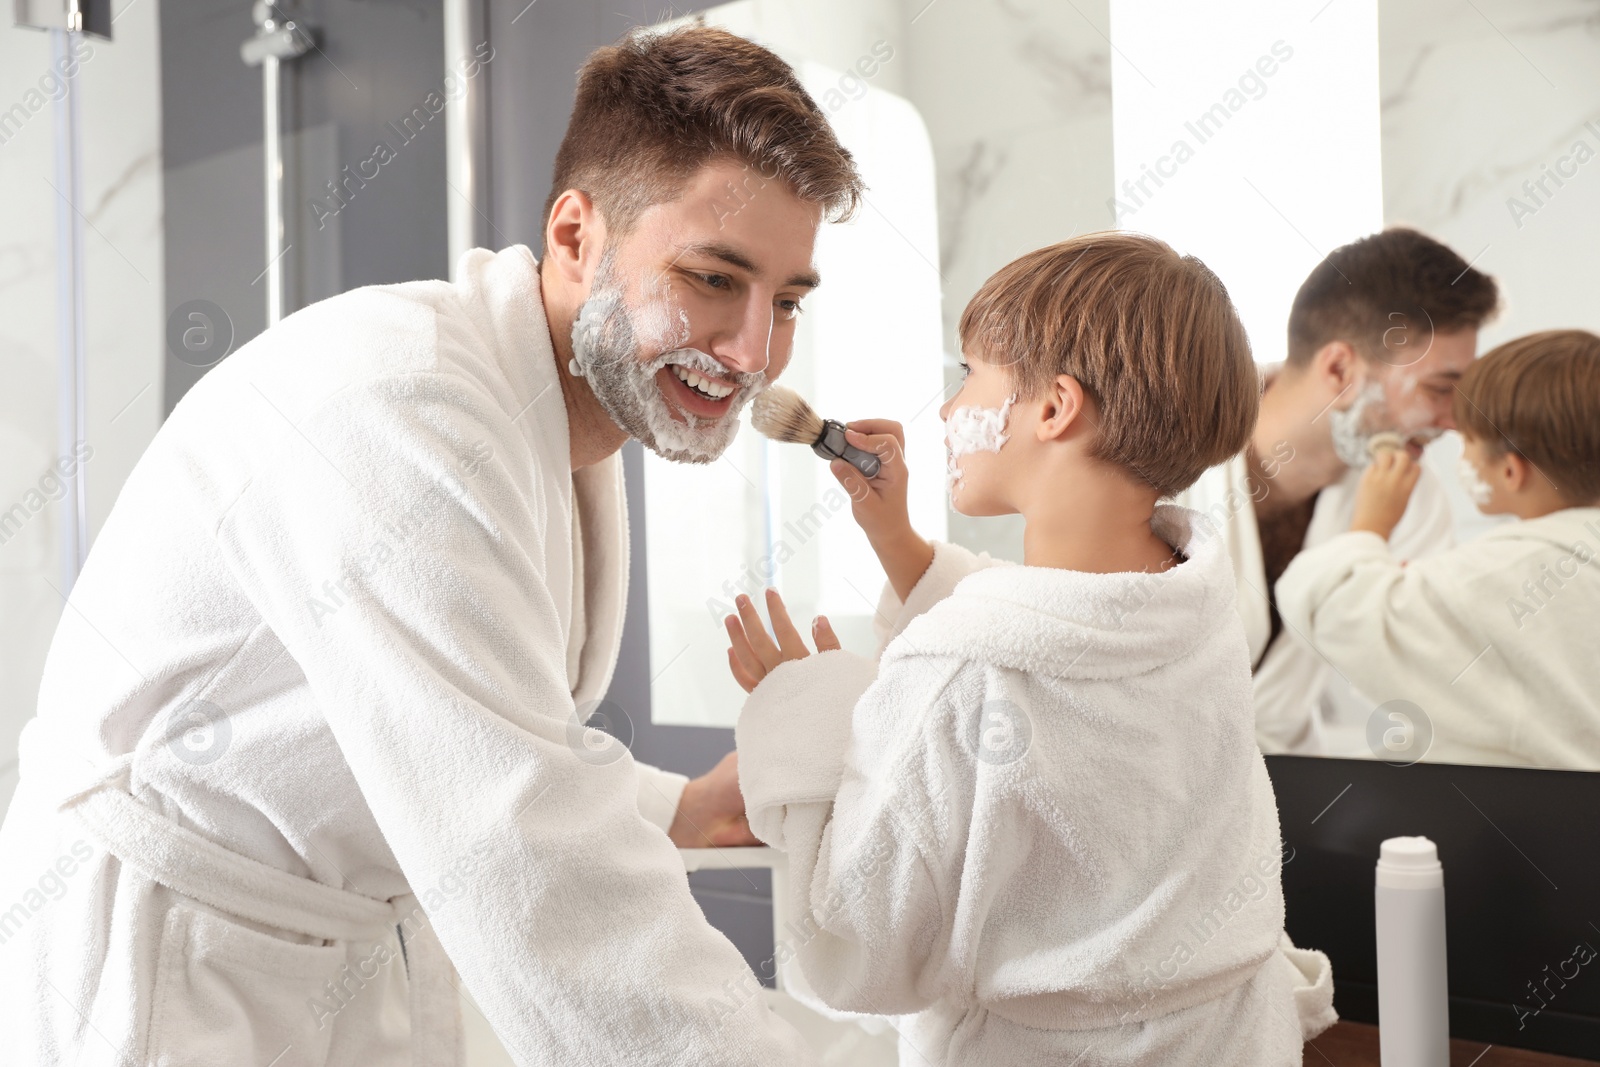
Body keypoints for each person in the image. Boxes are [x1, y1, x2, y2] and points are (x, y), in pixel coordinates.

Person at [0, 26, 859, 1065]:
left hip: (334, 949)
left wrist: (678, 806)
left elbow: (464, 723)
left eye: (788, 301)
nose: (754, 350)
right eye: (714, 278)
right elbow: (527, 853)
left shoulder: (553, 418)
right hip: (171, 969)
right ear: (577, 235)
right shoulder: (399, 404)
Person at [721, 234, 1336, 1065]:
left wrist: (805, 716)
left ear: (1052, 409)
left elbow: (850, 951)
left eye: (971, 375)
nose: (945, 411)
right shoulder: (1196, 604)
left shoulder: (959, 672)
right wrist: (898, 539)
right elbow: (1067, 633)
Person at [1174, 227, 1500, 753]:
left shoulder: (1414, 499)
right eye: (1440, 389)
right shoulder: (1167, 456)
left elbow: (1416, 682)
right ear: (1340, 368)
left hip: (1292, 787)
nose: (1455, 422)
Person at [1277, 330, 1600, 769]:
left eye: (1467, 439)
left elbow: (1328, 603)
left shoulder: (1502, 573)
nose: (1449, 437)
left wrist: (1369, 530)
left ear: (1509, 471)